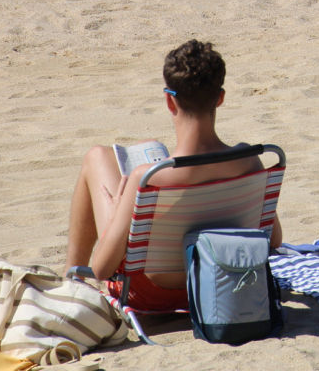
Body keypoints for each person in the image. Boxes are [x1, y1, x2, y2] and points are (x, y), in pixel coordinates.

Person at [64, 40, 283, 310]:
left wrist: (117, 206)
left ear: (169, 100)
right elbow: (273, 239)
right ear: (220, 97)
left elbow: (101, 269)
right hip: (223, 282)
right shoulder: (249, 160)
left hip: (151, 293)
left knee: (96, 156)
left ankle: (70, 284)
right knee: (147, 145)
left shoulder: (149, 178)